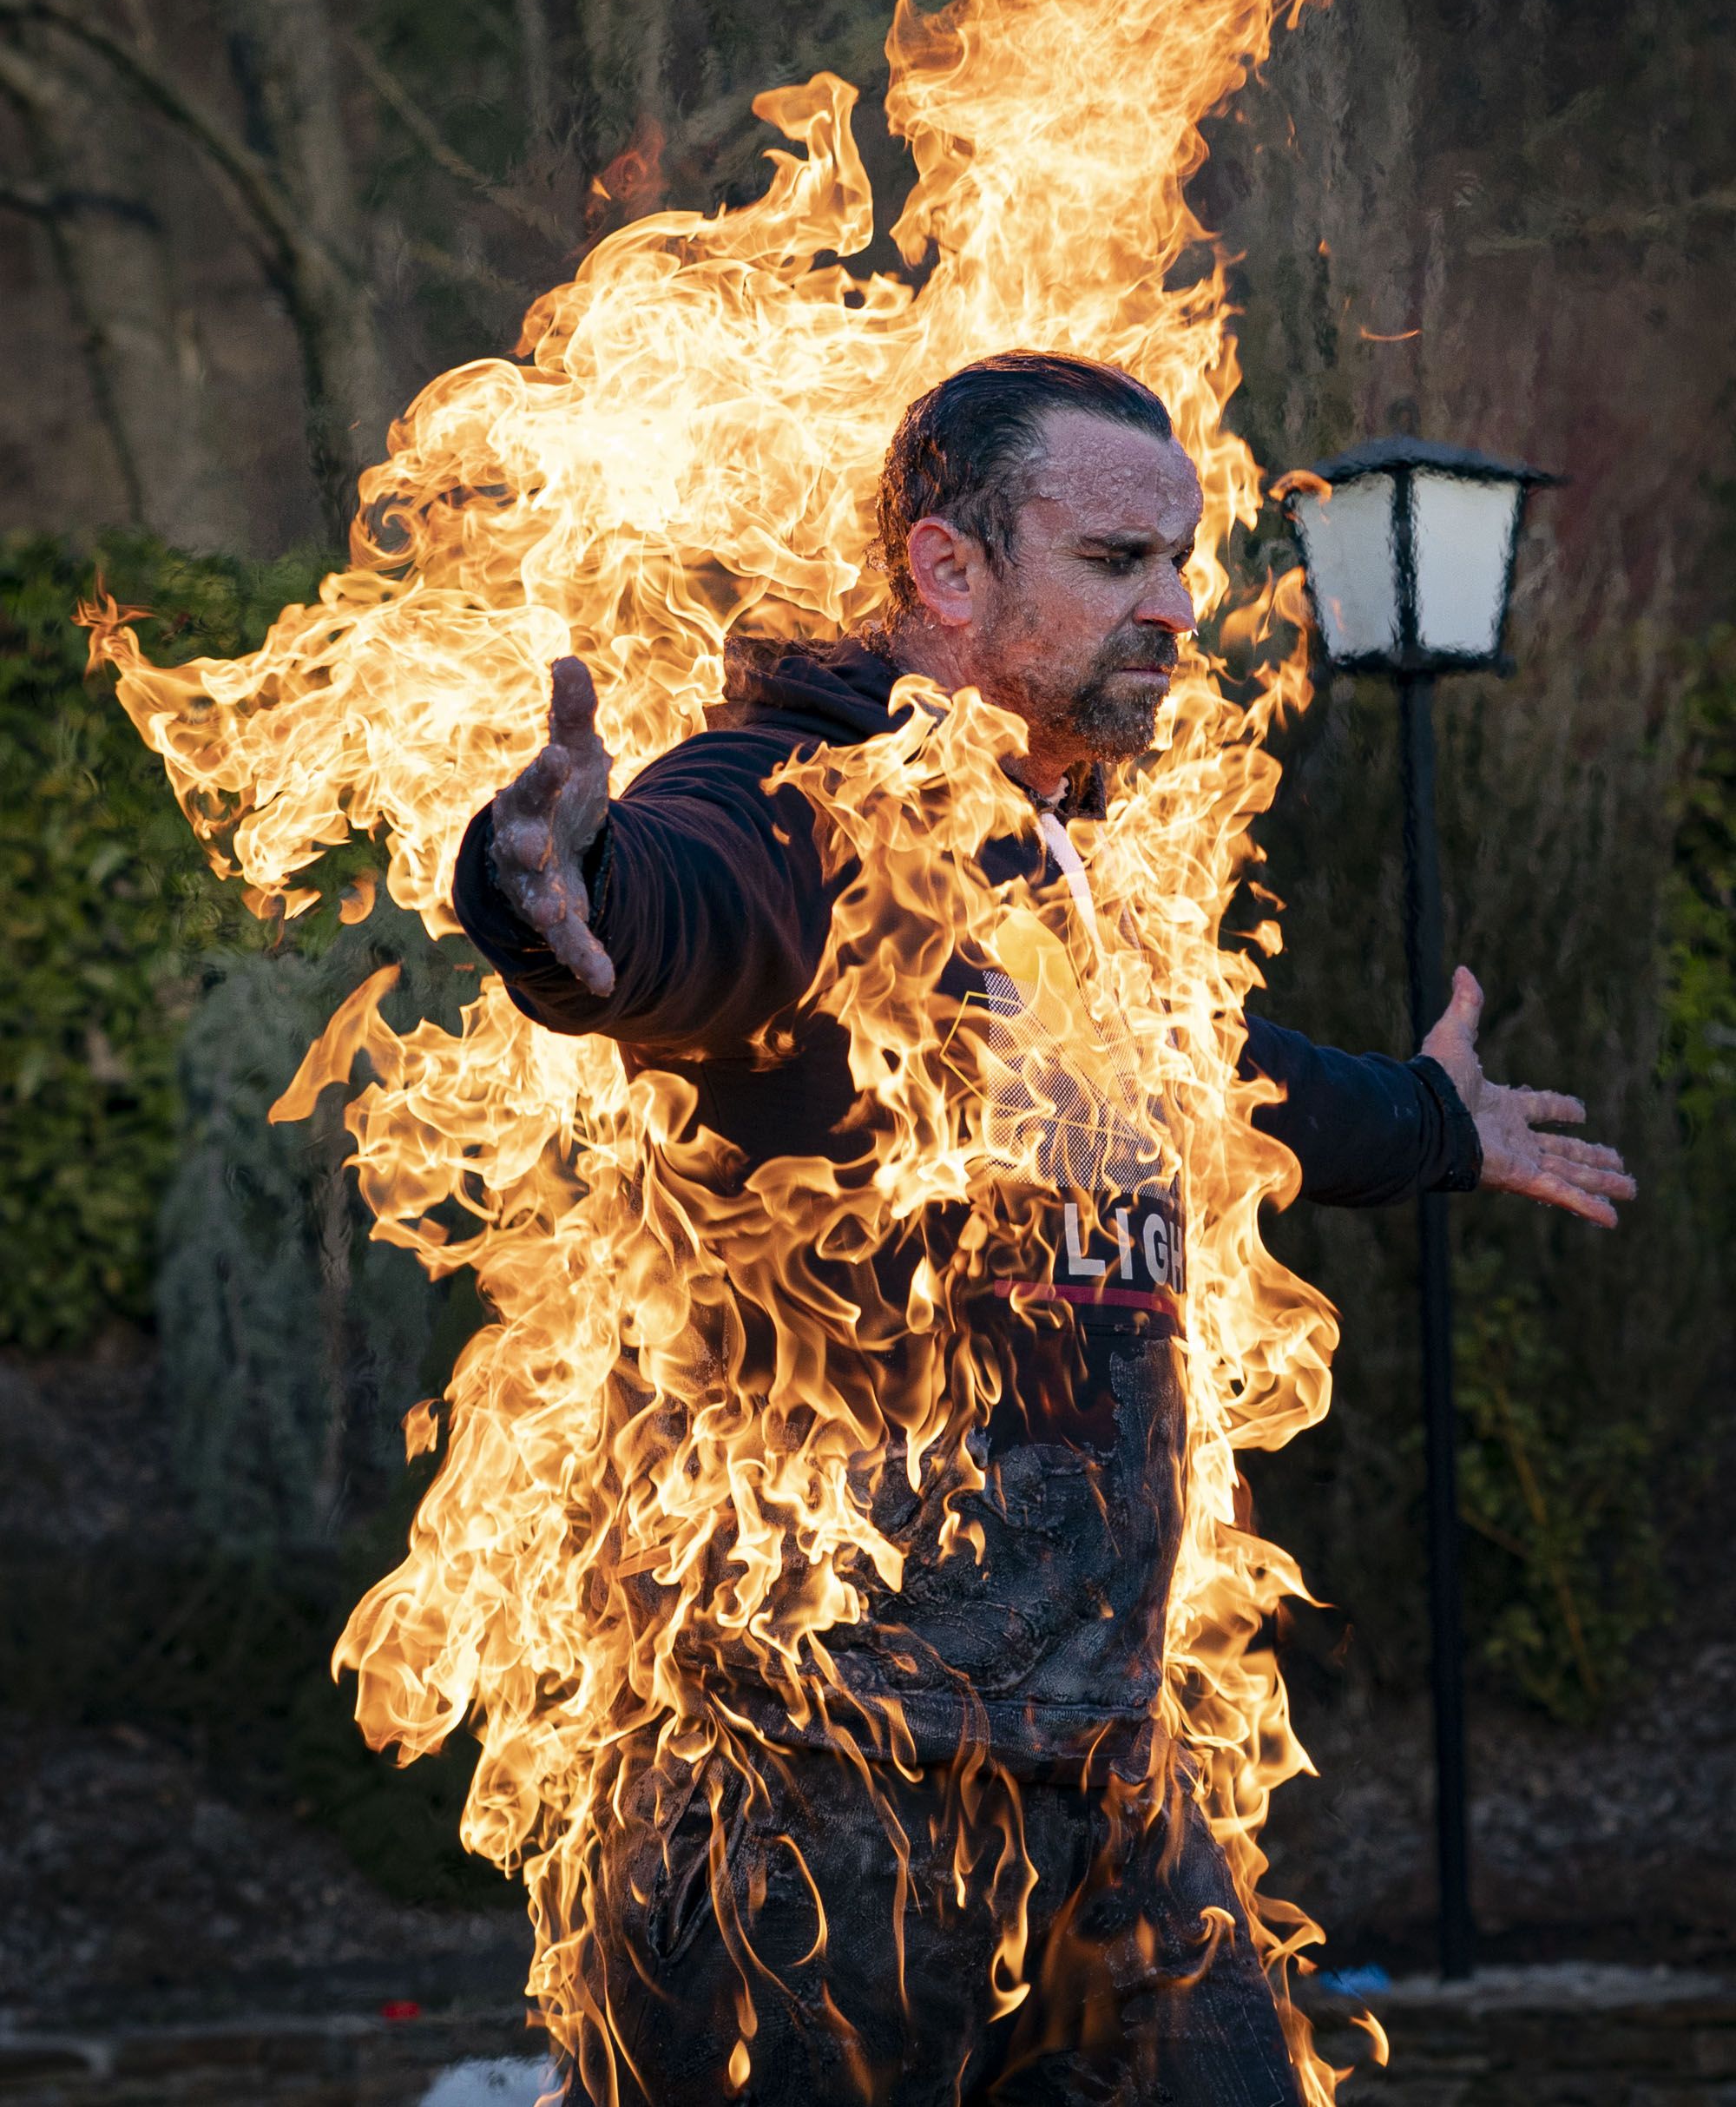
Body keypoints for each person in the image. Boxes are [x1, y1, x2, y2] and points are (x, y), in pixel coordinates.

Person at [456, 352, 1633, 2107]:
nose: (1172, 607)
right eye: (1111, 563)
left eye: (1179, 563)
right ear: (947, 571)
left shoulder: (1069, 867)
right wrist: (557, 900)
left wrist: (1432, 1122)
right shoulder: (799, 807)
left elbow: (1224, 1082)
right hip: (808, 1798)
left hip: (1100, 1789)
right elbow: (674, 908)